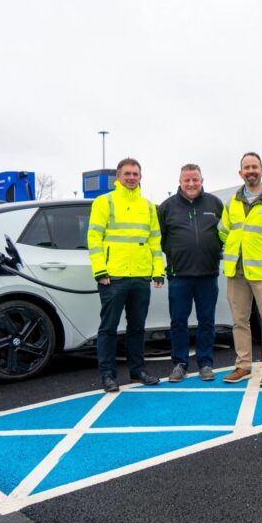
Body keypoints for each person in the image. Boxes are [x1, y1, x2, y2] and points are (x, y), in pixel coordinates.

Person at [87, 157, 164, 392]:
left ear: (140, 177)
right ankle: (108, 375)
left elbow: (154, 240)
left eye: (135, 174)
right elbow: (94, 238)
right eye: (127, 173)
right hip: (113, 277)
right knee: (108, 328)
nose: (131, 178)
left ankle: (137, 370)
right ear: (118, 177)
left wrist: (158, 272)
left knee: (137, 328)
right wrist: (100, 270)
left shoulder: (149, 206)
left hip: (140, 276)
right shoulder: (104, 202)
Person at [218, 152, 262, 387]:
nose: (251, 171)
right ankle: (243, 365)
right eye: (246, 167)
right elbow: (223, 230)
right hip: (236, 271)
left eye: (254, 167)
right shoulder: (232, 202)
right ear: (241, 173)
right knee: (239, 321)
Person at [158, 164, 224, 383]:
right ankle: (179, 364)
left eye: (195, 179)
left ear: (202, 180)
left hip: (208, 274)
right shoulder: (167, 207)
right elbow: (161, 239)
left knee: (207, 321)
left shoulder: (215, 204)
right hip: (179, 276)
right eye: (187, 180)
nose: (191, 184)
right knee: (178, 322)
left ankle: (206, 363)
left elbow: (224, 234)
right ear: (180, 181)